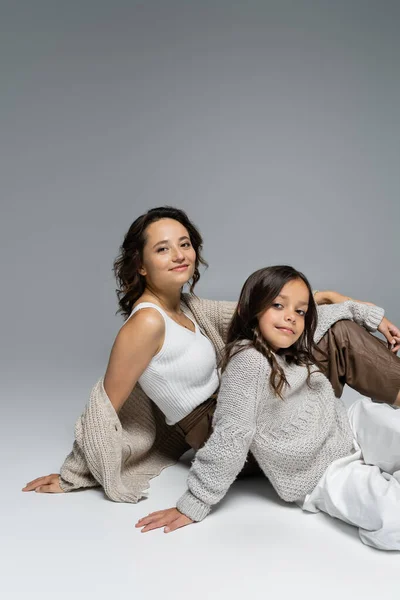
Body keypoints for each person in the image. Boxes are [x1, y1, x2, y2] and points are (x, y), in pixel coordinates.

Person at [22, 208, 400, 502]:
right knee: (339, 338)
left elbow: (265, 309)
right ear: (140, 264)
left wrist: (338, 299)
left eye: (184, 243)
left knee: (338, 332)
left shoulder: (187, 306)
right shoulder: (146, 325)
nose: (178, 255)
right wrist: (74, 473)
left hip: (244, 400)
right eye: (162, 248)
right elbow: (104, 406)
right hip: (221, 428)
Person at [136, 266, 400, 550]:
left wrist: (370, 316)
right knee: (393, 520)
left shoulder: (288, 340)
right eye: (278, 305)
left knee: (388, 424)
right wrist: (194, 503)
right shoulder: (248, 363)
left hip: (346, 428)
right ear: (249, 310)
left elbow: (329, 315)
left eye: (299, 312)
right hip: (321, 471)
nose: (290, 316)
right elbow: (230, 436)